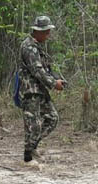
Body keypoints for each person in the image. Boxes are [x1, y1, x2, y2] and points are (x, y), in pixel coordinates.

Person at [19, 15, 65, 167]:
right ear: (37, 31)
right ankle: (27, 157)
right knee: (33, 124)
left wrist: (56, 79)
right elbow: (37, 71)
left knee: (52, 118)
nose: (48, 35)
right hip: (30, 91)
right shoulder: (29, 47)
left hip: (40, 90)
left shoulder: (37, 47)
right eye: (46, 31)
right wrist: (53, 84)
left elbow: (45, 69)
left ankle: (33, 148)